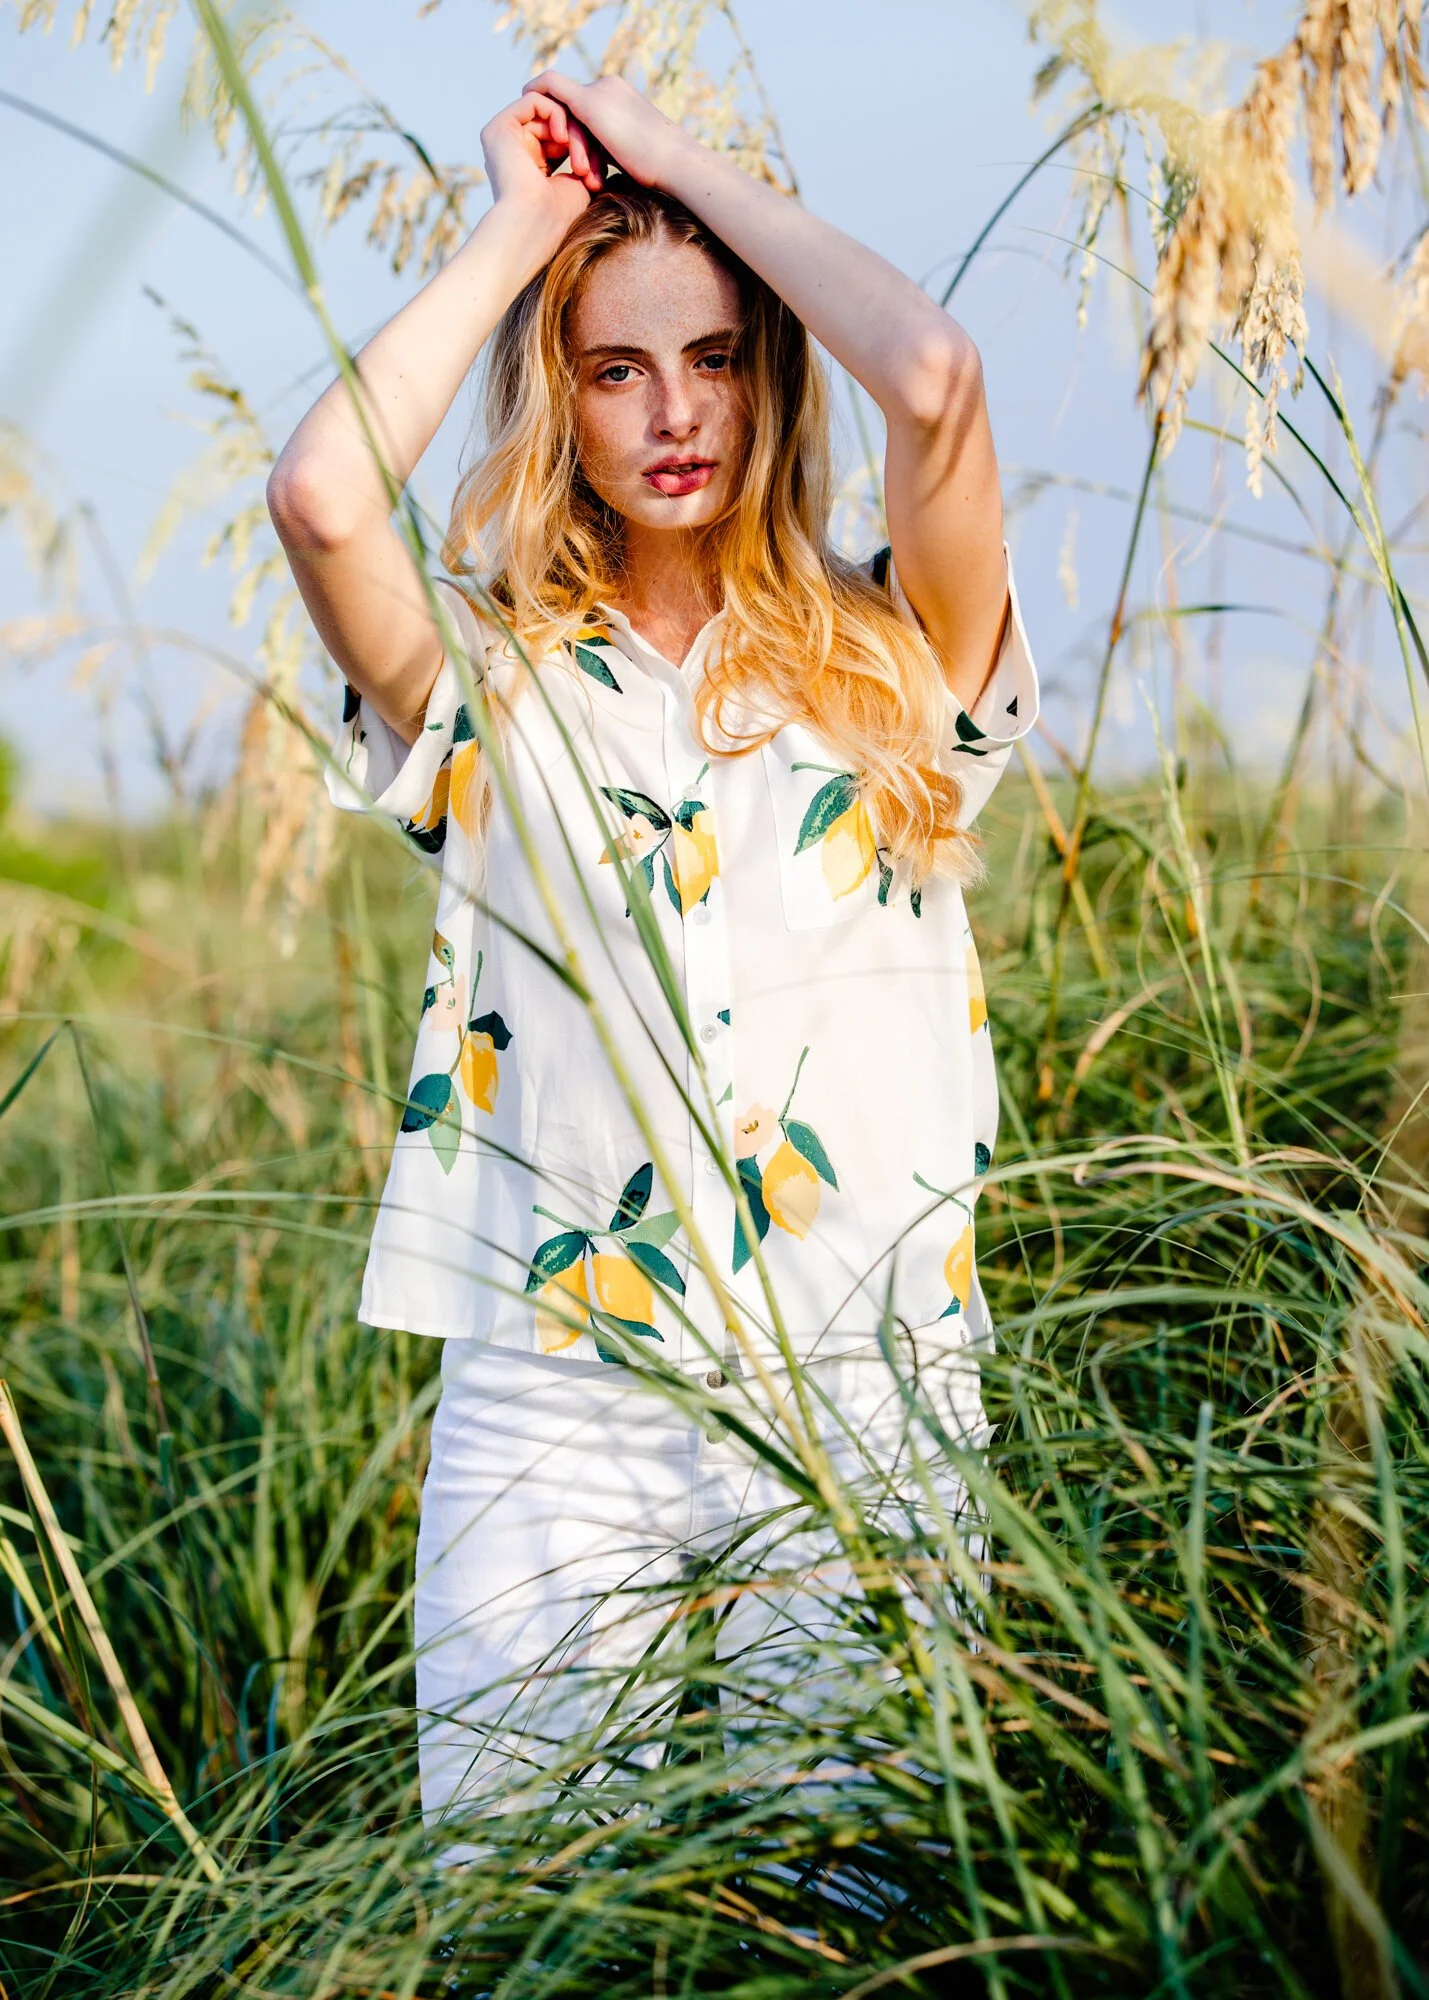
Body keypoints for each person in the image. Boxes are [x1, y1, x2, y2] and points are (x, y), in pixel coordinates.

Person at [267, 70, 1040, 1841]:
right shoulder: (490, 682)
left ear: (769, 376)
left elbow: (935, 379)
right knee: (517, 1893)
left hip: (869, 1369)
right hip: (557, 1381)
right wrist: (532, 226)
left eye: (716, 357)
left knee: (860, 1909)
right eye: (615, 368)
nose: (675, 410)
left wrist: (679, 167)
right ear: (564, 401)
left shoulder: (902, 653)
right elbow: (321, 495)